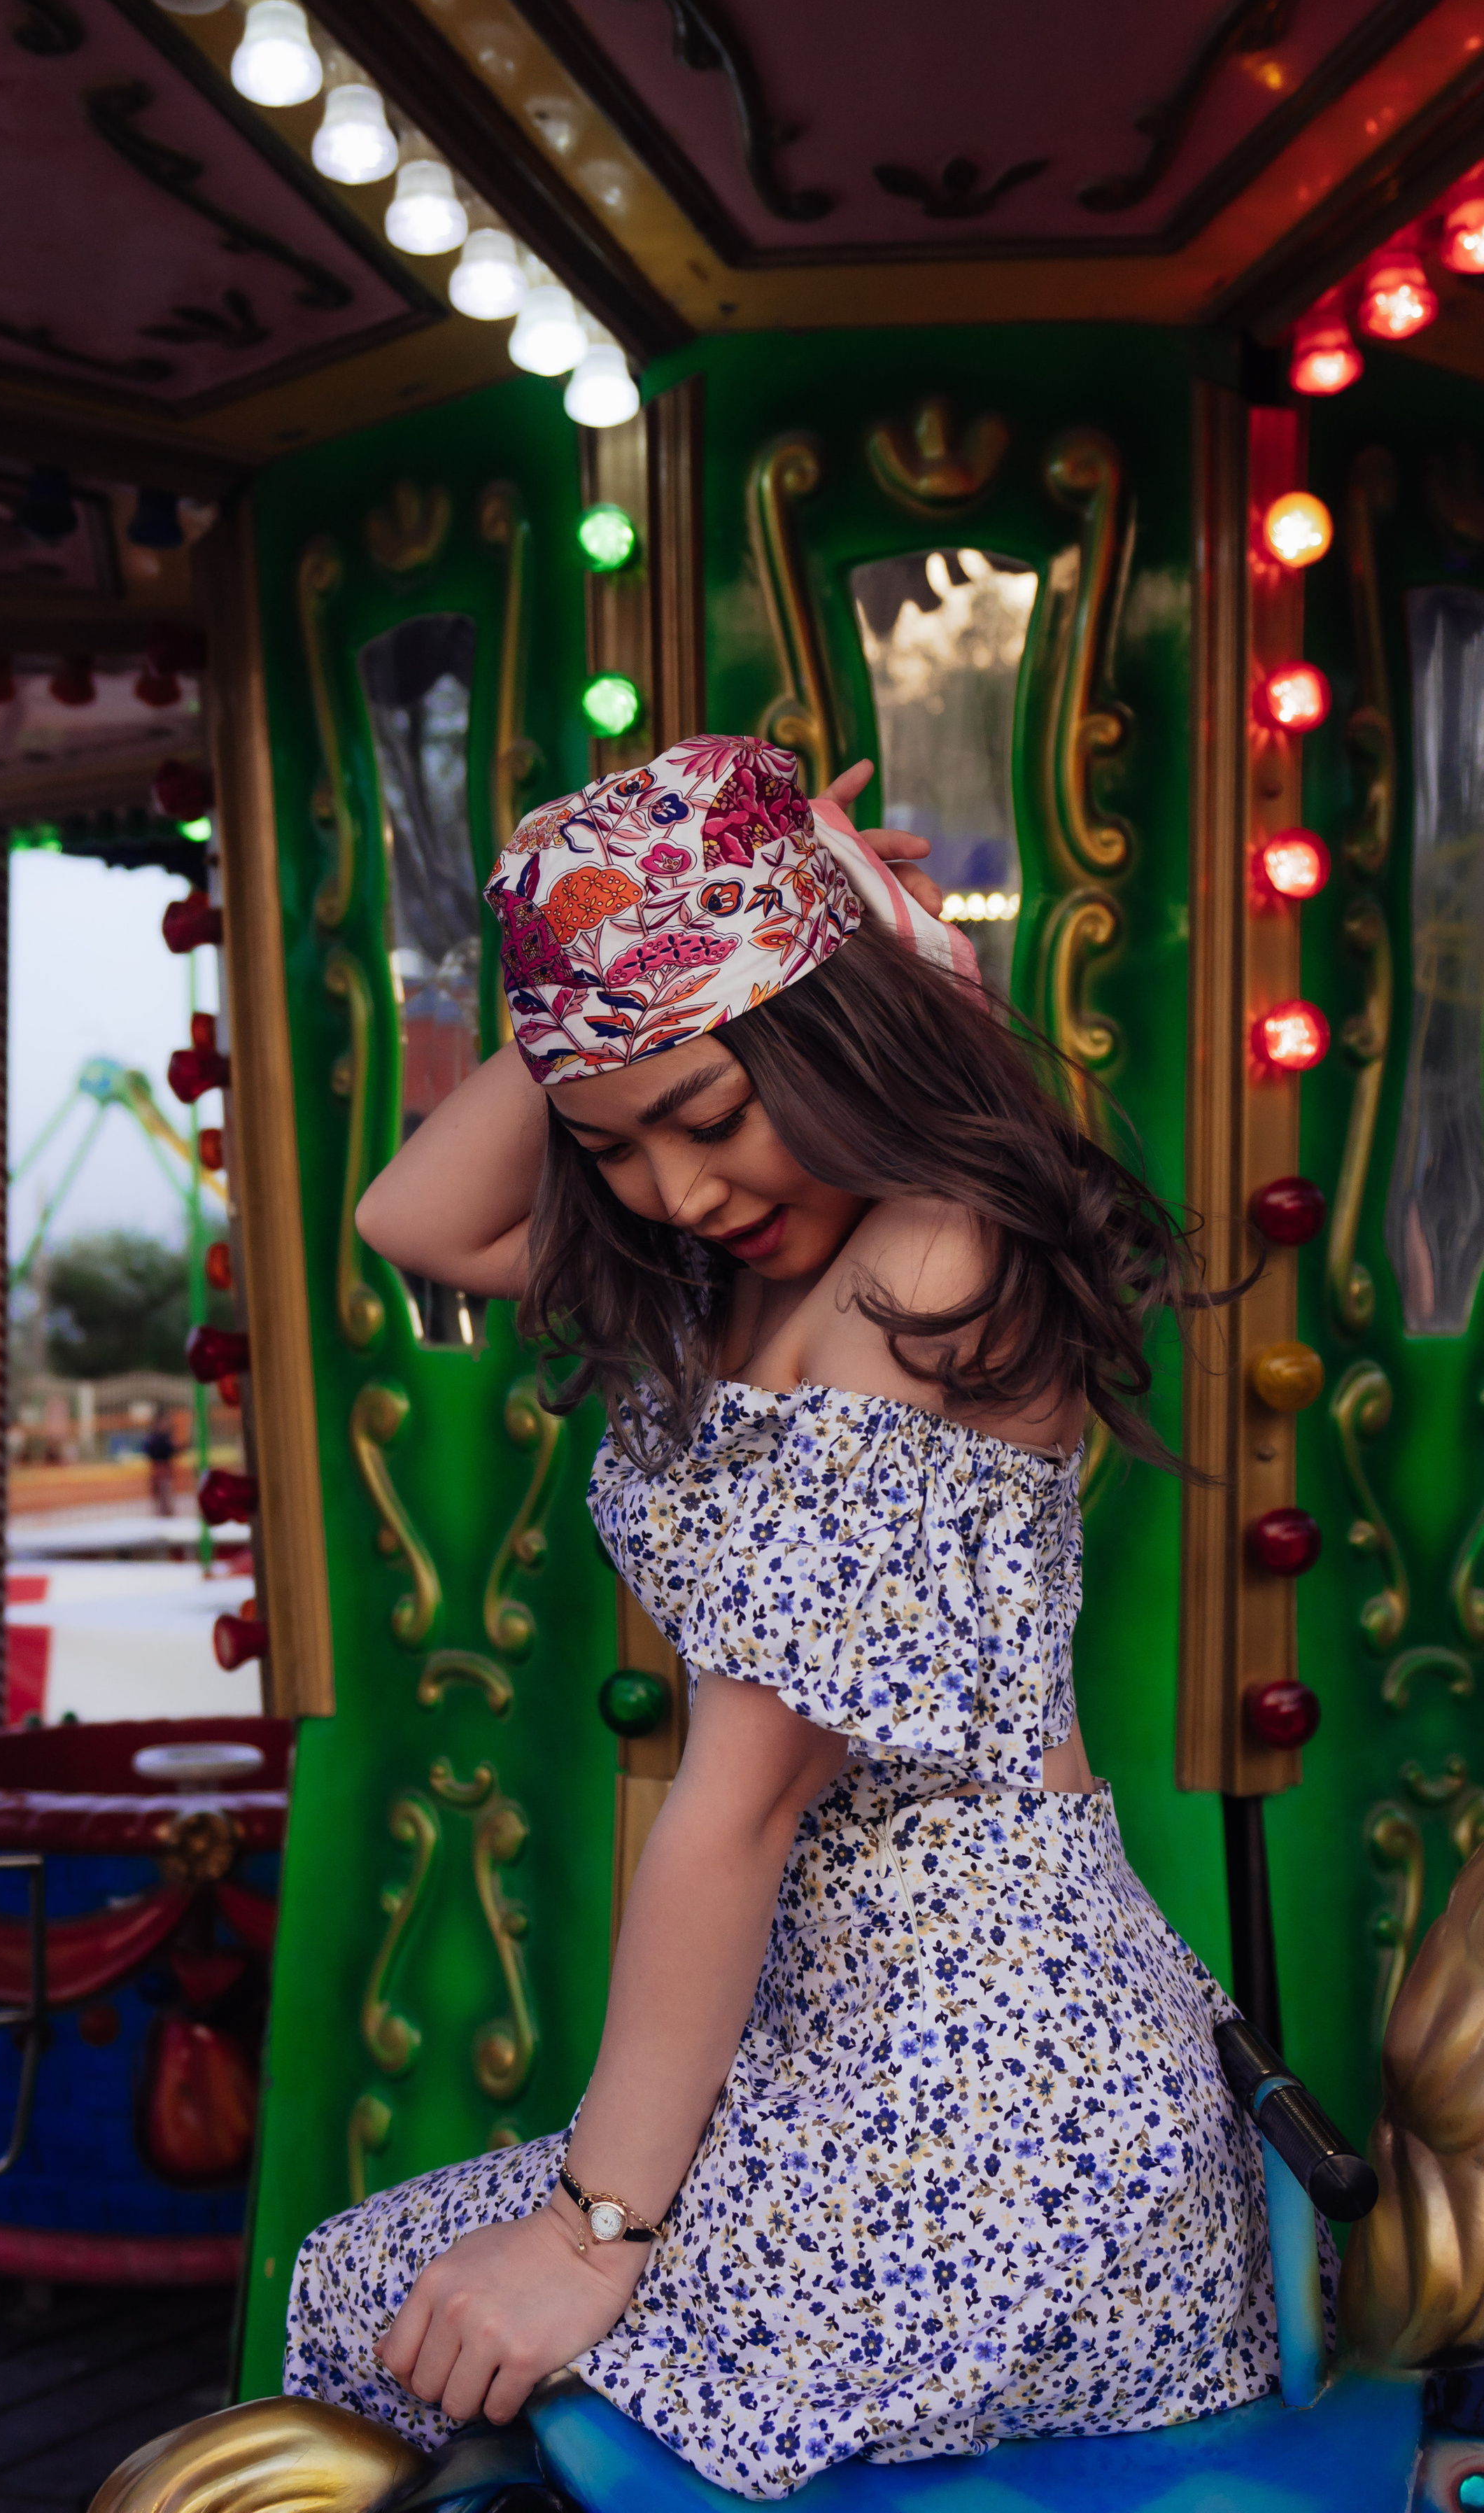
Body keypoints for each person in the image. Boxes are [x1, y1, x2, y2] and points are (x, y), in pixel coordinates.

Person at [281, 737, 1273, 2500]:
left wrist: (596, 2232)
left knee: (460, 2329)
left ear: (830, 1021)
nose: (674, 1188)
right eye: (616, 1143)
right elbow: (408, 1216)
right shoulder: (720, 1267)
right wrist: (588, 956)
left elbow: (735, 1802)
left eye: (709, 1115)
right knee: (379, 2293)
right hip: (846, 2057)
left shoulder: (928, 1256)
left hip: (1006, 2088)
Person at [141, 1403, 178, 1518]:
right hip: (160, 1471)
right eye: (165, 1421)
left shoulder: (162, 1437)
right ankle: (163, 1519)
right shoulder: (156, 1439)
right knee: (162, 1501)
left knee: (165, 1501)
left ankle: (165, 1517)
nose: (168, 1424)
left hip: (164, 1471)